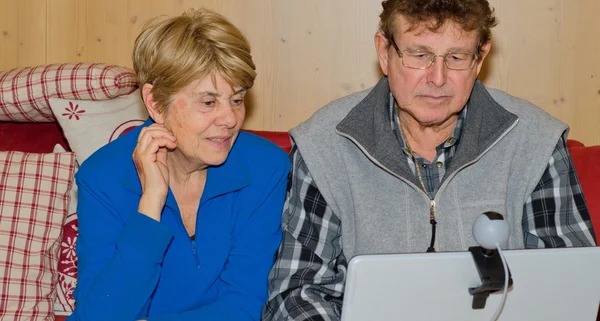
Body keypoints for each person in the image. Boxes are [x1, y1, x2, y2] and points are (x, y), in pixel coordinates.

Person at [262, 0, 597, 320]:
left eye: (456, 57)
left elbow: (570, 285)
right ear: (384, 51)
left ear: (480, 58)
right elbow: (296, 293)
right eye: (419, 54)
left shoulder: (535, 141)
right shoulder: (324, 144)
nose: (437, 78)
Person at [68, 8, 290, 321]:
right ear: (156, 103)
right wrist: (150, 206)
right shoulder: (102, 177)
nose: (229, 119)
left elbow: (246, 304)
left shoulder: (266, 167)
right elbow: (99, 315)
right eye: (208, 102)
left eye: (237, 100)